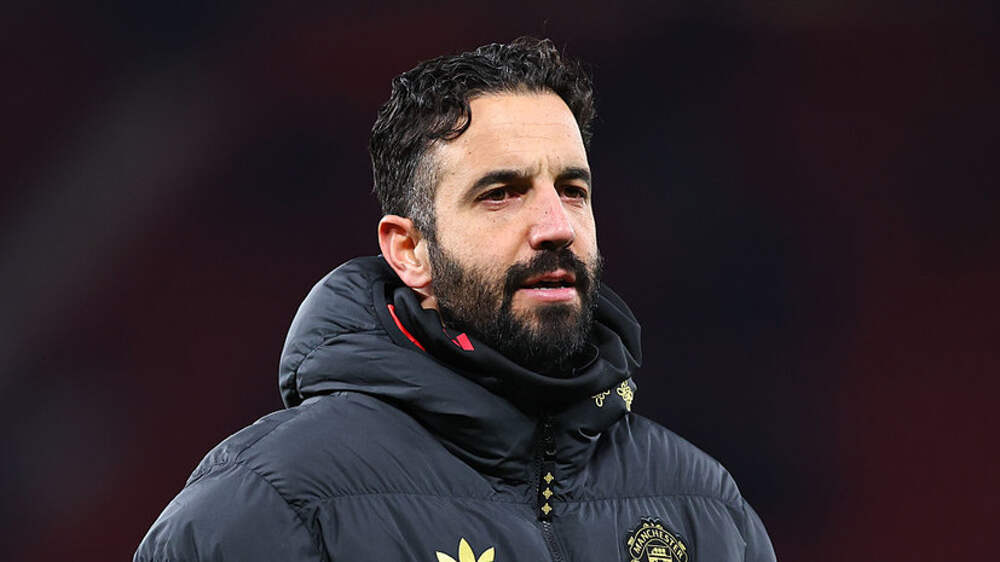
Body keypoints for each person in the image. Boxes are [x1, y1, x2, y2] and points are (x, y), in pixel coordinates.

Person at [135, 37, 776, 562]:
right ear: (410, 250)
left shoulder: (707, 510)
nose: (556, 226)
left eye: (572, 190)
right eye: (501, 193)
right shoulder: (270, 507)